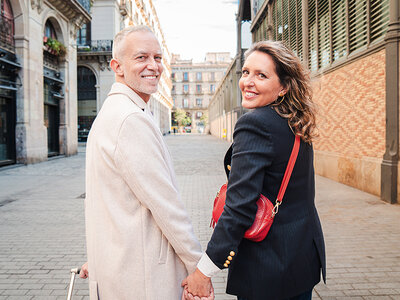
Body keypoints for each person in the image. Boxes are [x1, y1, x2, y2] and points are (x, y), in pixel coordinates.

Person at [182, 40, 326, 300]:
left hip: (268, 269)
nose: (248, 81)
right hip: (302, 260)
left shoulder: (255, 124)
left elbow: (239, 208)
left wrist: (204, 272)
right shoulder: (294, 121)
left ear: (283, 86)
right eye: (246, 72)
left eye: (261, 75)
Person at [81, 25, 204, 299]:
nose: (153, 66)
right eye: (141, 57)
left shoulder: (115, 112)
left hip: (121, 270)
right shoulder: (130, 119)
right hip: (142, 278)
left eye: (158, 58)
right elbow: (166, 206)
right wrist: (199, 267)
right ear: (117, 66)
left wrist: (97, 258)